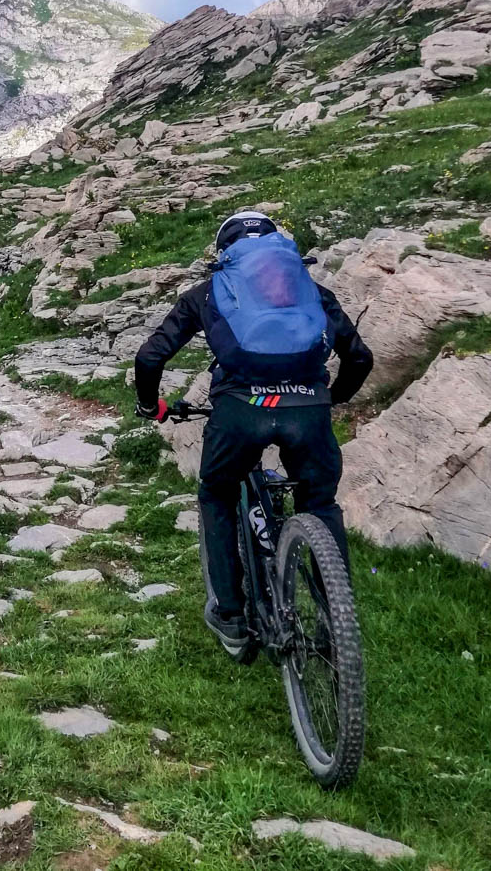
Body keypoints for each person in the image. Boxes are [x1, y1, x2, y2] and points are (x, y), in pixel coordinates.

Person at [133, 210, 373, 657]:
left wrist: (151, 406)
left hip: (242, 409)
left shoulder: (209, 292)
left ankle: (232, 619)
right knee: (320, 502)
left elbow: (150, 358)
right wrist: (329, 399)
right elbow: (359, 359)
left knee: (217, 494)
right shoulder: (312, 294)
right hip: (308, 408)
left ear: (225, 254)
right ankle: (335, 624)